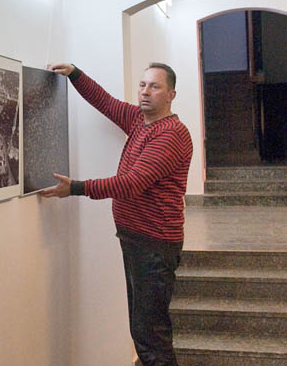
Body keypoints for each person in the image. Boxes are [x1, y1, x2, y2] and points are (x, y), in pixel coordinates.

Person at [42, 62, 192, 366]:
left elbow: (131, 183)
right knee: (143, 330)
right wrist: (75, 73)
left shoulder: (172, 134)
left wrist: (77, 188)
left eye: (155, 86)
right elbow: (105, 102)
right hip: (136, 240)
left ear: (171, 94)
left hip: (154, 245)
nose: (145, 92)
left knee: (151, 336)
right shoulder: (139, 119)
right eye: (142, 85)